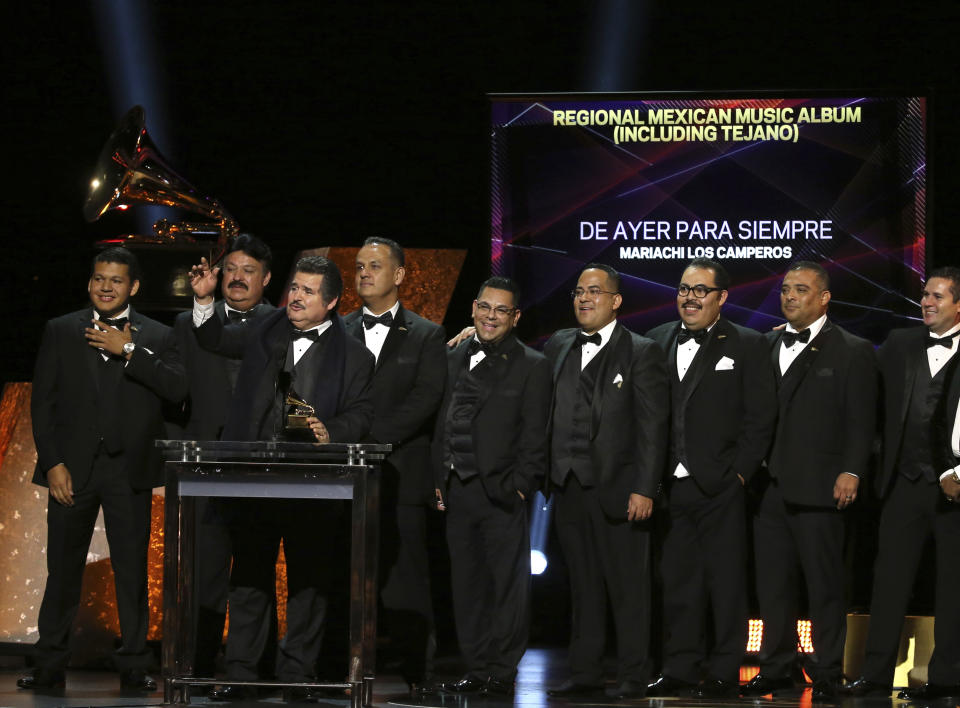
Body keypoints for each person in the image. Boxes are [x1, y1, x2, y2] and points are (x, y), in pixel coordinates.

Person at [190, 254, 374, 699]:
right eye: (294, 288)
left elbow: (363, 413)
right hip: (254, 476)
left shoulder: (354, 354)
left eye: (308, 292)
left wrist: (332, 431)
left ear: (331, 303)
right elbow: (216, 338)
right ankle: (240, 674)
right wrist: (203, 303)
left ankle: (298, 675)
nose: (295, 297)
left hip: (314, 482)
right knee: (249, 577)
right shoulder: (267, 328)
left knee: (309, 581)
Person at [20, 247, 186, 692]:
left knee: (131, 570)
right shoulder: (60, 330)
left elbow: (176, 389)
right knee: (63, 569)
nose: (105, 287)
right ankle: (50, 662)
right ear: (89, 282)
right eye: (98, 279)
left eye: (115, 280)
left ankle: (134, 664)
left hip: (127, 469)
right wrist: (52, 462)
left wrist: (129, 348)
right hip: (71, 469)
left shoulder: (157, 334)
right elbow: (44, 403)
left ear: (133, 286)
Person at [743, 261, 877, 701]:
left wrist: (852, 469)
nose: (789, 296)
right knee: (772, 584)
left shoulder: (852, 349)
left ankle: (824, 669)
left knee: (825, 585)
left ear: (824, 298)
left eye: (800, 289)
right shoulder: (763, 344)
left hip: (823, 485)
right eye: (785, 289)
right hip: (769, 486)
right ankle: (777, 665)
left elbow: (862, 420)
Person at [645, 258, 777, 699]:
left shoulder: (748, 343)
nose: (690, 297)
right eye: (684, 288)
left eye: (701, 290)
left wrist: (739, 474)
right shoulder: (656, 341)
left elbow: (760, 418)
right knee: (678, 582)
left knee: (726, 583)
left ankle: (723, 669)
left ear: (721, 297)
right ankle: (680, 666)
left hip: (721, 484)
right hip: (671, 485)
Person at [544, 263, 669, 700]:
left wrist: (645, 487)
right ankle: (586, 672)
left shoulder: (641, 350)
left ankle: (634, 673)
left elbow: (654, 427)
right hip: (568, 484)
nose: (584, 298)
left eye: (594, 291)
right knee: (583, 585)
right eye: (578, 291)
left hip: (620, 487)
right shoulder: (558, 343)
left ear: (615, 301)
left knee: (629, 587)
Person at [845, 267, 960, 700]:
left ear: (958, 305)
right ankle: (874, 675)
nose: (926, 303)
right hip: (903, 481)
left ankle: (947, 677)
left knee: (953, 585)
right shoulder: (900, 343)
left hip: (956, 489)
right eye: (924, 295)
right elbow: (862, 380)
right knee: (888, 581)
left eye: (937, 297)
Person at [434, 276, 552, 697]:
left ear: (515, 317)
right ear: (473, 308)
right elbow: (440, 423)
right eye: (485, 307)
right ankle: (477, 665)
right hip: (457, 488)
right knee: (467, 585)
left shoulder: (532, 365)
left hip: (502, 491)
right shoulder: (451, 355)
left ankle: (502, 670)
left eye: (501, 310)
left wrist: (521, 486)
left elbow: (536, 435)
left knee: (506, 587)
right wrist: (439, 478)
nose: (491, 316)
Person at [342, 237, 446, 697]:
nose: (364, 273)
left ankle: (418, 674)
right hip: (343, 474)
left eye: (376, 266)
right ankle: (332, 668)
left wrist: (370, 438)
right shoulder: (336, 329)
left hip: (401, 472)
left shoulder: (426, 334)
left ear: (400, 274)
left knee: (406, 580)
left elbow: (425, 399)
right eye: (360, 266)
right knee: (338, 575)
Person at [172, 233, 276, 677]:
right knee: (204, 572)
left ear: (267, 279)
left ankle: (248, 670)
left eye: (248, 271)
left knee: (254, 570)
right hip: (206, 465)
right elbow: (178, 390)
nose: (237, 277)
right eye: (230, 269)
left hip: (264, 467)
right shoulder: (189, 321)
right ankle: (195, 664)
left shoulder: (283, 323)